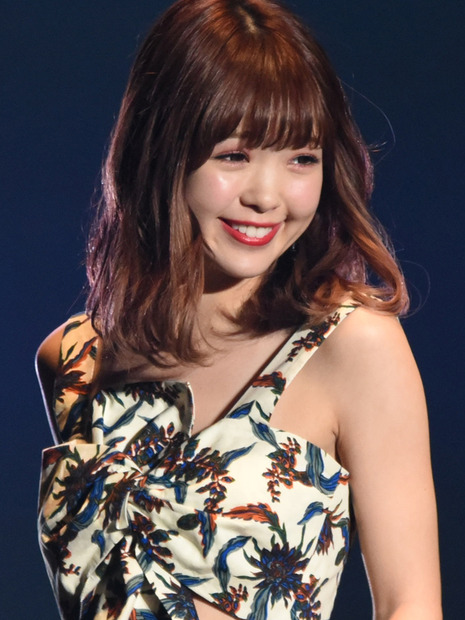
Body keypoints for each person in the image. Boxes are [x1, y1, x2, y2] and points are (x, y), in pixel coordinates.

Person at [36, 0, 441, 618]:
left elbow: (410, 604)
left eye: (301, 158)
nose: (267, 196)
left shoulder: (352, 346)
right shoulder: (73, 359)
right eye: (234, 155)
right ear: (160, 149)